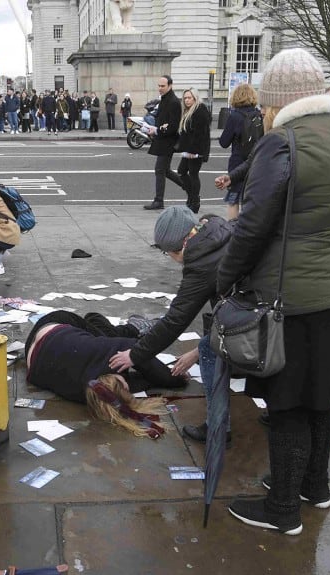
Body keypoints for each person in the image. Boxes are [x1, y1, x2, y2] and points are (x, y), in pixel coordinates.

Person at [216, 48, 330, 536]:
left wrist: (224, 279)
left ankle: (283, 509)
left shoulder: (282, 143)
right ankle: (314, 487)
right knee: (321, 396)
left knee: (287, 403)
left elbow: (252, 226)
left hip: (295, 298)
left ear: (278, 102)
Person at [108, 207, 232, 442]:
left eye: (168, 253)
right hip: (268, 306)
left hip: (256, 317)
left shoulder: (201, 262)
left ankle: (218, 428)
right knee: (206, 346)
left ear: (181, 245)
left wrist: (134, 355)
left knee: (209, 353)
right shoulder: (218, 229)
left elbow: (175, 320)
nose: (172, 259)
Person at [26, 310, 186, 438]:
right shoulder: (89, 393)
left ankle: (133, 328)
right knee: (105, 333)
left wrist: (175, 378)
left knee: (95, 319)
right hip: (33, 354)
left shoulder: (107, 352)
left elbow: (140, 354)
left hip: (55, 323)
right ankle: (133, 327)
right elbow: (143, 381)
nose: (128, 383)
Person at [217, 84, 262, 220]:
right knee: (251, 198)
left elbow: (224, 142)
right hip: (256, 161)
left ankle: (233, 229)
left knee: (233, 199)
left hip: (237, 162)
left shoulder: (234, 116)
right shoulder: (259, 115)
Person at [143, 75, 182, 210]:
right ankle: (188, 186)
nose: (160, 88)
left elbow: (172, 126)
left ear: (170, 86)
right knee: (165, 170)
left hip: (168, 141)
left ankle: (159, 200)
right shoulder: (165, 99)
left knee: (160, 170)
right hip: (162, 140)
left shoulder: (174, 102)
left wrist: (157, 130)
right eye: (159, 86)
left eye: (162, 86)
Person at [173, 89, 211, 213]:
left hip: (196, 150)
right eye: (185, 98)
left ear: (195, 98)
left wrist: (193, 151)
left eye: (189, 98)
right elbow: (186, 133)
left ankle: (195, 201)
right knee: (182, 172)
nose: (187, 100)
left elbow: (200, 134)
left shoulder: (200, 111)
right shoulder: (188, 111)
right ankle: (192, 197)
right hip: (189, 149)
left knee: (193, 174)